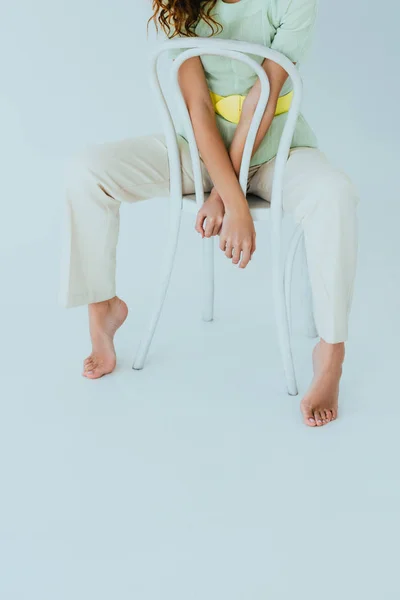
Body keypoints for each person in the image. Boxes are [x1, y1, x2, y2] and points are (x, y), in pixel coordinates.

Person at [60, 0, 359, 428]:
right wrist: (229, 195)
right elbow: (198, 108)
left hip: (279, 149)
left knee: (336, 194)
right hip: (197, 154)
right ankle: (102, 308)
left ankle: (331, 354)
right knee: (85, 171)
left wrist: (225, 194)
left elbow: (265, 97)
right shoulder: (185, 3)